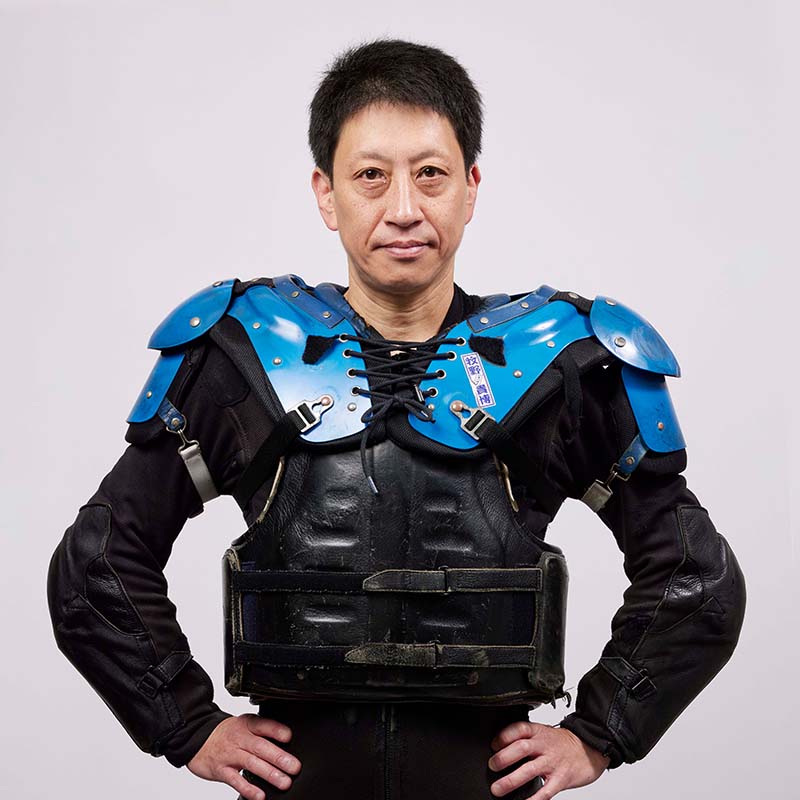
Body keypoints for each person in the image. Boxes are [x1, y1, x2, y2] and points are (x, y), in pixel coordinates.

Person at [47, 39, 746, 800]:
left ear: (471, 188)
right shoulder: (243, 361)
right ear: (326, 193)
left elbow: (697, 578)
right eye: (371, 176)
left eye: (431, 174)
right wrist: (185, 723)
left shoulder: (558, 372)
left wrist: (600, 733)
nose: (404, 209)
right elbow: (97, 562)